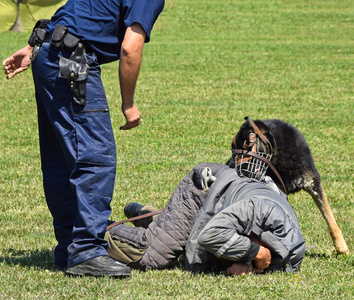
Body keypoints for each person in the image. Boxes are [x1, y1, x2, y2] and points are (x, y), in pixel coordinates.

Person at [2, 0, 164, 277]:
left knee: (60, 161)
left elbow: (73, 11)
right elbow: (130, 46)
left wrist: (32, 47)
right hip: (72, 60)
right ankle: (87, 250)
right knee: (95, 157)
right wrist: (129, 104)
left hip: (49, 53)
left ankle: (69, 247)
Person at [105, 126, 306, 275]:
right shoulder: (257, 210)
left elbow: (267, 263)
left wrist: (244, 268)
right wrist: (254, 253)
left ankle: (151, 216)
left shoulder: (291, 251)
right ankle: (87, 231)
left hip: (225, 203)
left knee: (188, 232)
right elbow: (209, 236)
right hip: (206, 187)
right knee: (152, 255)